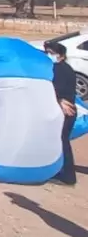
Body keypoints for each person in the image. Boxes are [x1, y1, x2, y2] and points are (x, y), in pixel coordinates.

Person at [44, 42, 77, 186]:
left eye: (51, 53)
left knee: (62, 141)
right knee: (60, 141)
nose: (48, 55)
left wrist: (59, 100)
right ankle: (60, 172)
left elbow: (56, 89)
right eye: (47, 52)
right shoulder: (63, 68)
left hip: (64, 111)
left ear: (61, 56)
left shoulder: (60, 70)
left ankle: (68, 176)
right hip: (64, 110)